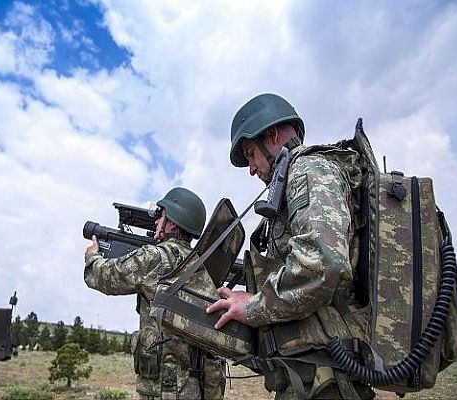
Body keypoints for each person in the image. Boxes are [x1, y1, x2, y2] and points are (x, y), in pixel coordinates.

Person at [206, 93, 374, 399]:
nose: (252, 169)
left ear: (271, 136)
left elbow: (322, 265)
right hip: (310, 376)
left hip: (327, 379)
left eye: (250, 154)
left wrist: (253, 306)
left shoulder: (308, 169)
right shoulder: (291, 183)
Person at [84, 187, 226, 400]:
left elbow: (106, 277)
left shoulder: (156, 257)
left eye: (161, 215)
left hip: (163, 388)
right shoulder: (199, 263)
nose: (156, 221)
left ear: (172, 223)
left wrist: (92, 257)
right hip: (193, 385)